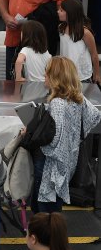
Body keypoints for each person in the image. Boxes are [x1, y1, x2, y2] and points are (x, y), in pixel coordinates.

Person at [29, 57, 101, 213]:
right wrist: (76, 139)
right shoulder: (78, 99)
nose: (44, 76)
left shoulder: (57, 104)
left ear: (55, 77)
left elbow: (55, 142)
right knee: (54, 211)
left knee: (45, 213)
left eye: (47, 73)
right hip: (68, 165)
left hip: (50, 167)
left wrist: (35, 136)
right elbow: (95, 115)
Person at [57, 0, 101, 84]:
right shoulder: (61, 28)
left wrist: (97, 74)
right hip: (66, 75)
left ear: (70, 13)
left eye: (61, 10)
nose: (58, 11)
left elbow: (94, 55)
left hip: (82, 77)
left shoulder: (85, 32)